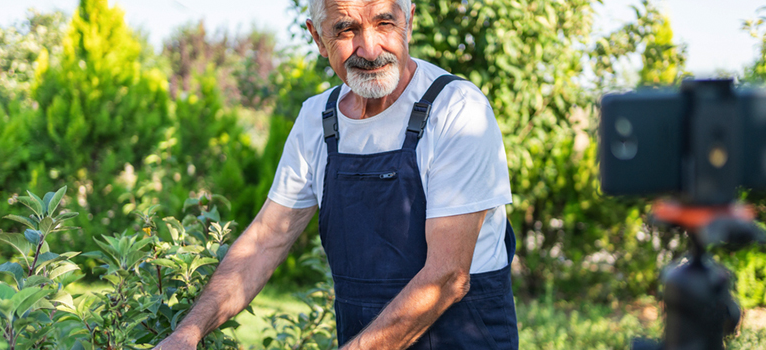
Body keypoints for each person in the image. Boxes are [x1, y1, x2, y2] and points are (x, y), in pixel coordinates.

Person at [156, 0, 517, 348]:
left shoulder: (456, 110)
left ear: (410, 21)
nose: (371, 49)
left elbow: (447, 277)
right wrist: (187, 333)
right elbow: (266, 240)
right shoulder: (318, 119)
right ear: (317, 37)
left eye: (385, 22)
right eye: (346, 29)